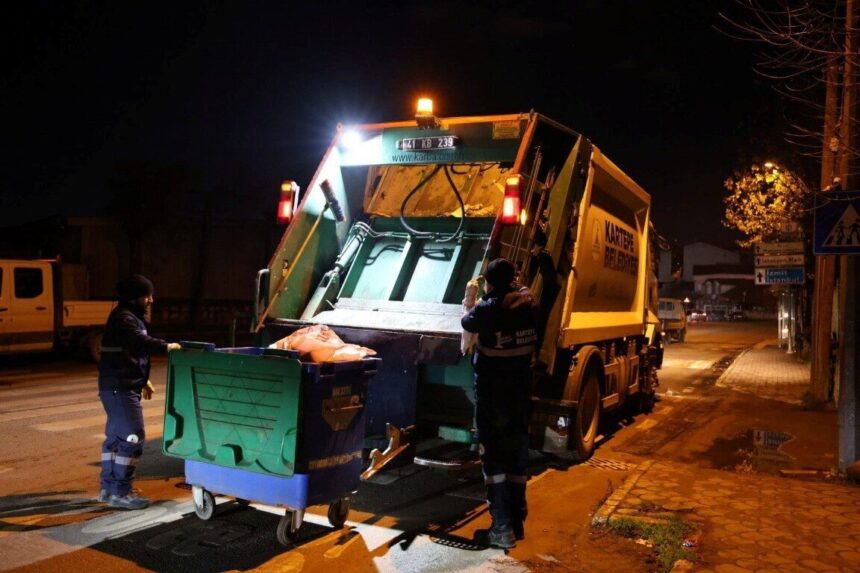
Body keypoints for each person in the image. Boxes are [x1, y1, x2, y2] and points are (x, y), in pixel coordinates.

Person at [461, 258, 538, 549]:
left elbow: (467, 322)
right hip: (520, 396)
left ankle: (502, 528)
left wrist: (471, 299)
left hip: (493, 398)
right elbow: (526, 295)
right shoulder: (529, 304)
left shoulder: (488, 309)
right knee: (516, 458)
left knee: (493, 460)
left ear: (491, 283)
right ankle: (517, 522)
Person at [97, 274, 180, 510]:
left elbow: (129, 353)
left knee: (115, 439)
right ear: (135, 297)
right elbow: (138, 342)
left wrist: (143, 380)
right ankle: (121, 492)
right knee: (133, 437)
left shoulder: (128, 316)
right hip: (120, 388)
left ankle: (108, 489)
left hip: (119, 385)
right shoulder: (124, 318)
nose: (151, 300)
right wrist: (167, 346)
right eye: (147, 296)